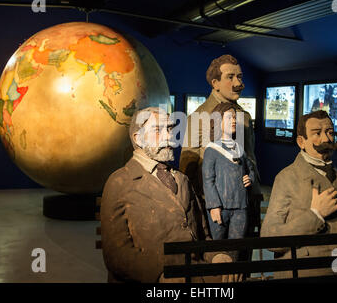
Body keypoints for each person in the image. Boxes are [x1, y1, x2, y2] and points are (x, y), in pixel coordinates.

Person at [100, 107, 236, 283]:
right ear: (137, 138)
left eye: (170, 128)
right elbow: (116, 254)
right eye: (158, 130)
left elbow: (202, 236)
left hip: (194, 274)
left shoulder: (182, 179)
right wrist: (157, 274)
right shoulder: (120, 182)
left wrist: (216, 256)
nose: (168, 136)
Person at [261, 110, 337, 279]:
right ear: (301, 141)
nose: (326, 139)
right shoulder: (287, 178)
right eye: (317, 133)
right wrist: (315, 215)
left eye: (330, 132)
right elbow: (269, 238)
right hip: (305, 271)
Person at [180, 54, 262, 238]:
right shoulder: (199, 117)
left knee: (242, 258)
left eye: (239, 77)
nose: (237, 83)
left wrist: (254, 192)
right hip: (215, 204)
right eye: (230, 77)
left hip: (246, 199)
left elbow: (250, 158)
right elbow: (188, 167)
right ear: (215, 83)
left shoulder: (244, 116)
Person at [202, 103, 255, 248]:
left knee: (236, 246)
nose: (233, 121)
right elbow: (208, 180)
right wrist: (213, 206)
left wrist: (250, 178)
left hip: (241, 206)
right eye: (229, 117)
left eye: (234, 117)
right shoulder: (211, 150)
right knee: (218, 248)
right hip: (221, 208)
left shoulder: (239, 149)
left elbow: (250, 169)